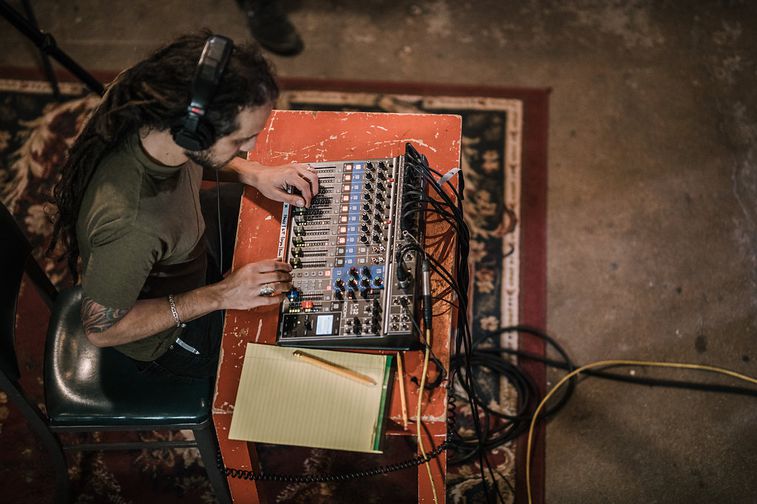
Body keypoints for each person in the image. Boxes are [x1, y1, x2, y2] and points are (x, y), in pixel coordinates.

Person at [50, 32, 318, 379]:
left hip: (189, 248)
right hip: (172, 338)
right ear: (195, 135)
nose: (252, 144)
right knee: (299, 358)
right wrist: (222, 294)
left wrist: (253, 172)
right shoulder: (131, 224)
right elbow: (102, 330)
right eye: (240, 139)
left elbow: (198, 156)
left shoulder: (159, 119)